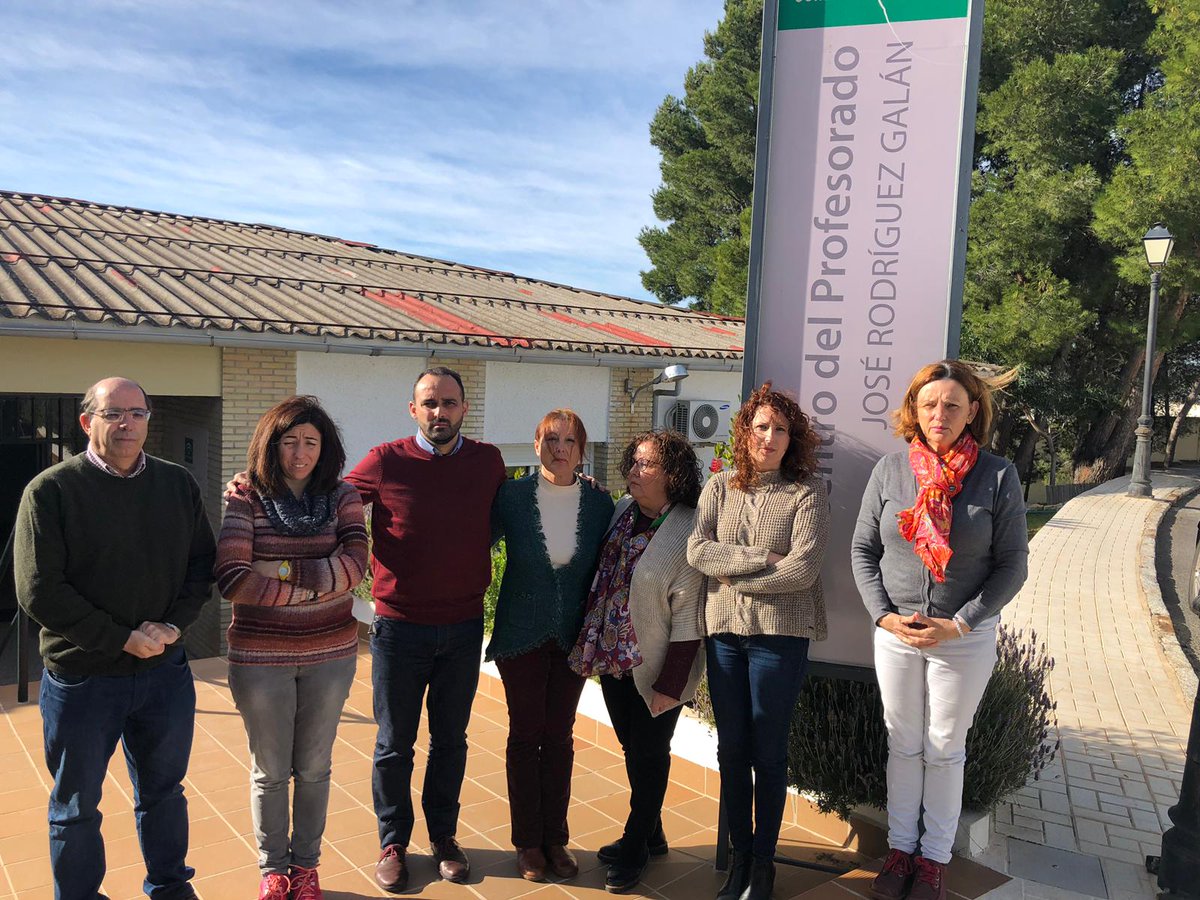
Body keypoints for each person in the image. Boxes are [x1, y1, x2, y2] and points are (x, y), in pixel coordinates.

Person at [14, 376, 216, 900]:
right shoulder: (52, 491)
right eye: (113, 414)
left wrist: (174, 626)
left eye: (138, 413)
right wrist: (120, 638)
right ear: (88, 422)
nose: (127, 424)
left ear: (150, 419)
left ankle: (170, 887)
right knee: (76, 806)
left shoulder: (177, 484)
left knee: (164, 793)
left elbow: (201, 566)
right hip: (84, 680)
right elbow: (39, 591)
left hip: (163, 676)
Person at [851, 360, 1028, 900]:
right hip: (897, 634)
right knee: (903, 745)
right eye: (929, 404)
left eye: (952, 404)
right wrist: (882, 614)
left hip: (963, 639)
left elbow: (1012, 565)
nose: (939, 414)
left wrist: (959, 624)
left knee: (946, 748)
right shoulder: (890, 471)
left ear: (972, 411)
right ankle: (900, 851)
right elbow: (863, 550)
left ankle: (933, 860)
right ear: (914, 410)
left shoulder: (997, 475)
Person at [349, 367, 506, 892]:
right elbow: (330, 498)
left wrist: (583, 485)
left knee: (450, 741)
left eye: (450, 403)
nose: (440, 412)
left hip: (462, 628)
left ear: (465, 408)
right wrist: (256, 485)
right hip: (399, 629)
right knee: (395, 744)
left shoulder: (488, 462)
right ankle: (392, 841)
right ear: (413, 409)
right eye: (430, 403)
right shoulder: (385, 460)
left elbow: (522, 508)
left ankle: (444, 837)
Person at [215, 396, 368, 900]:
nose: (300, 452)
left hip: (331, 655)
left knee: (315, 767)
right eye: (289, 441)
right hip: (261, 658)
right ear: (271, 444)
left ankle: (306, 867)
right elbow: (234, 578)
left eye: (310, 441)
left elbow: (356, 568)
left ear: (325, 448)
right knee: (271, 770)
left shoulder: (343, 496)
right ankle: (273, 870)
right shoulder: (246, 497)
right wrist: (319, 584)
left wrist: (279, 572)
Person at [687, 383, 830, 900]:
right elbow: (698, 551)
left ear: (794, 440)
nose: (769, 437)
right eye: (761, 426)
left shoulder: (808, 492)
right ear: (745, 431)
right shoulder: (719, 488)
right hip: (725, 636)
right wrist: (759, 560)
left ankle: (764, 864)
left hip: (779, 638)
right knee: (732, 751)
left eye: (781, 430)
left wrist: (738, 578)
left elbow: (804, 569)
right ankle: (740, 861)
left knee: (768, 753)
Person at [569, 429, 705, 895]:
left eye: (646, 465)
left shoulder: (688, 527)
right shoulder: (625, 510)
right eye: (633, 463)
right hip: (613, 659)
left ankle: (635, 844)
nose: (634, 471)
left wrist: (672, 684)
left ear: (673, 475)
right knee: (634, 750)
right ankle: (654, 832)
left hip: (658, 668)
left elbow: (690, 616)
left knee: (650, 755)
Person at [486, 409, 615, 883]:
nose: (560, 448)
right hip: (520, 633)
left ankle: (555, 838)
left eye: (570, 441)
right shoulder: (512, 497)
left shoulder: (601, 503)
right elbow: (470, 538)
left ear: (582, 451)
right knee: (525, 735)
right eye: (551, 439)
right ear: (536, 443)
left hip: (573, 637)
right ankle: (527, 843)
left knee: (559, 736)